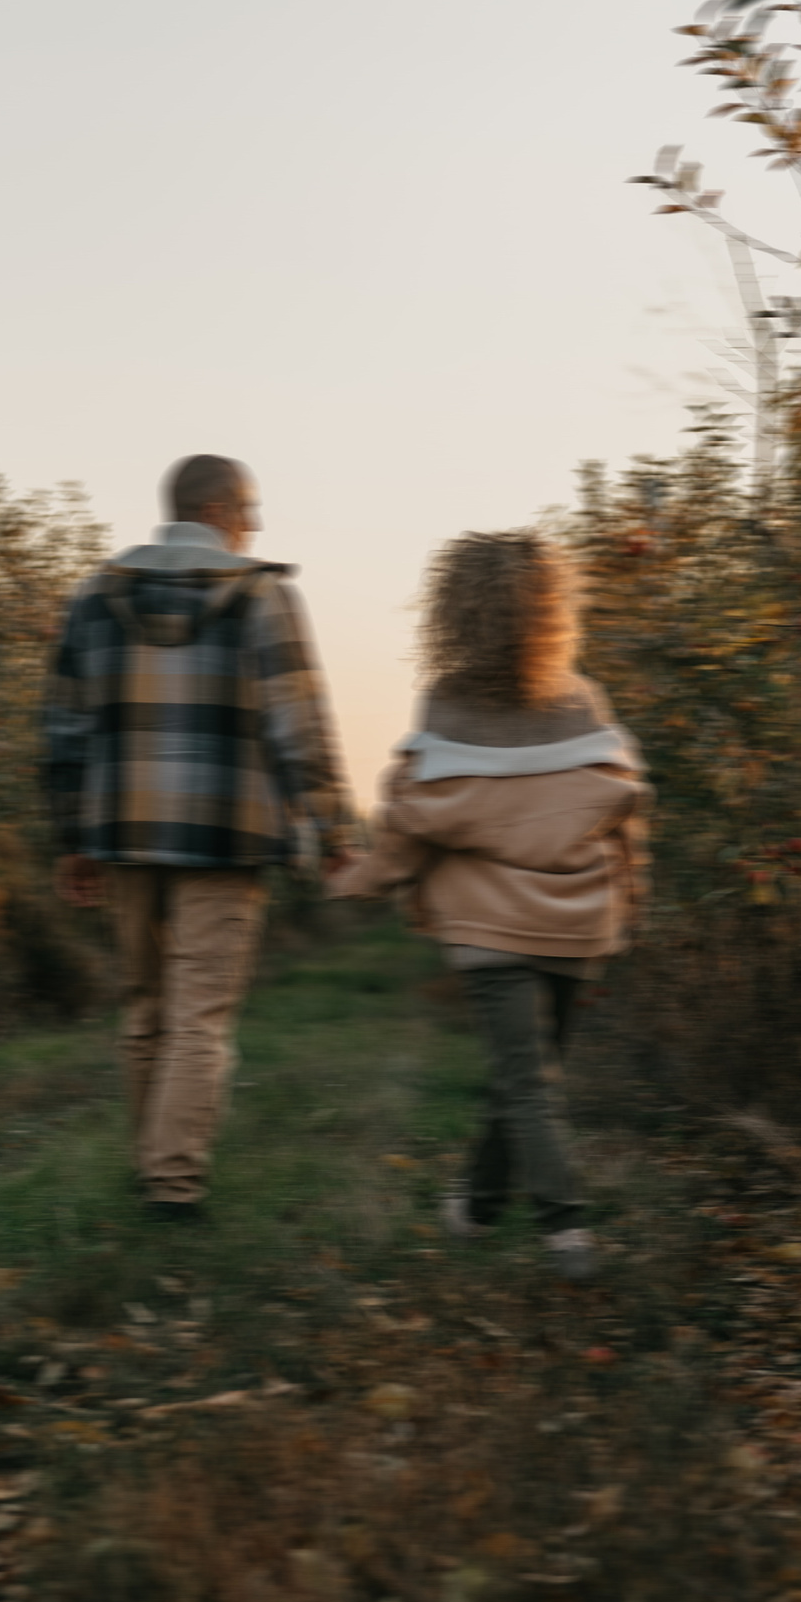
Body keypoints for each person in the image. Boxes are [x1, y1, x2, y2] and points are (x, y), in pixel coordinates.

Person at [331, 530, 649, 1280]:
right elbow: (627, 816)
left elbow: (412, 822)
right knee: (531, 1076)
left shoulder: (447, 703)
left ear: (457, 611)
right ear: (553, 609)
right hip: (577, 919)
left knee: (523, 1079)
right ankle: (547, 1222)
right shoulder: (584, 702)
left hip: (487, 927)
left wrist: (358, 881)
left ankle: (501, 1213)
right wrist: (633, 900)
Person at [42, 455, 353, 1220]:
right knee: (199, 1015)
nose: (255, 526)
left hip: (123, 830)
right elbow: (299, 723)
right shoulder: (263, 597)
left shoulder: (94, 596)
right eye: (249, 510)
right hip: (227, 831)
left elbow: (64, 729)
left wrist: (71, 837)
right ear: (217, 511)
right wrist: (334, 828)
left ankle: (152, 1163)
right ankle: (173, 1184)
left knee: (144, 1006)